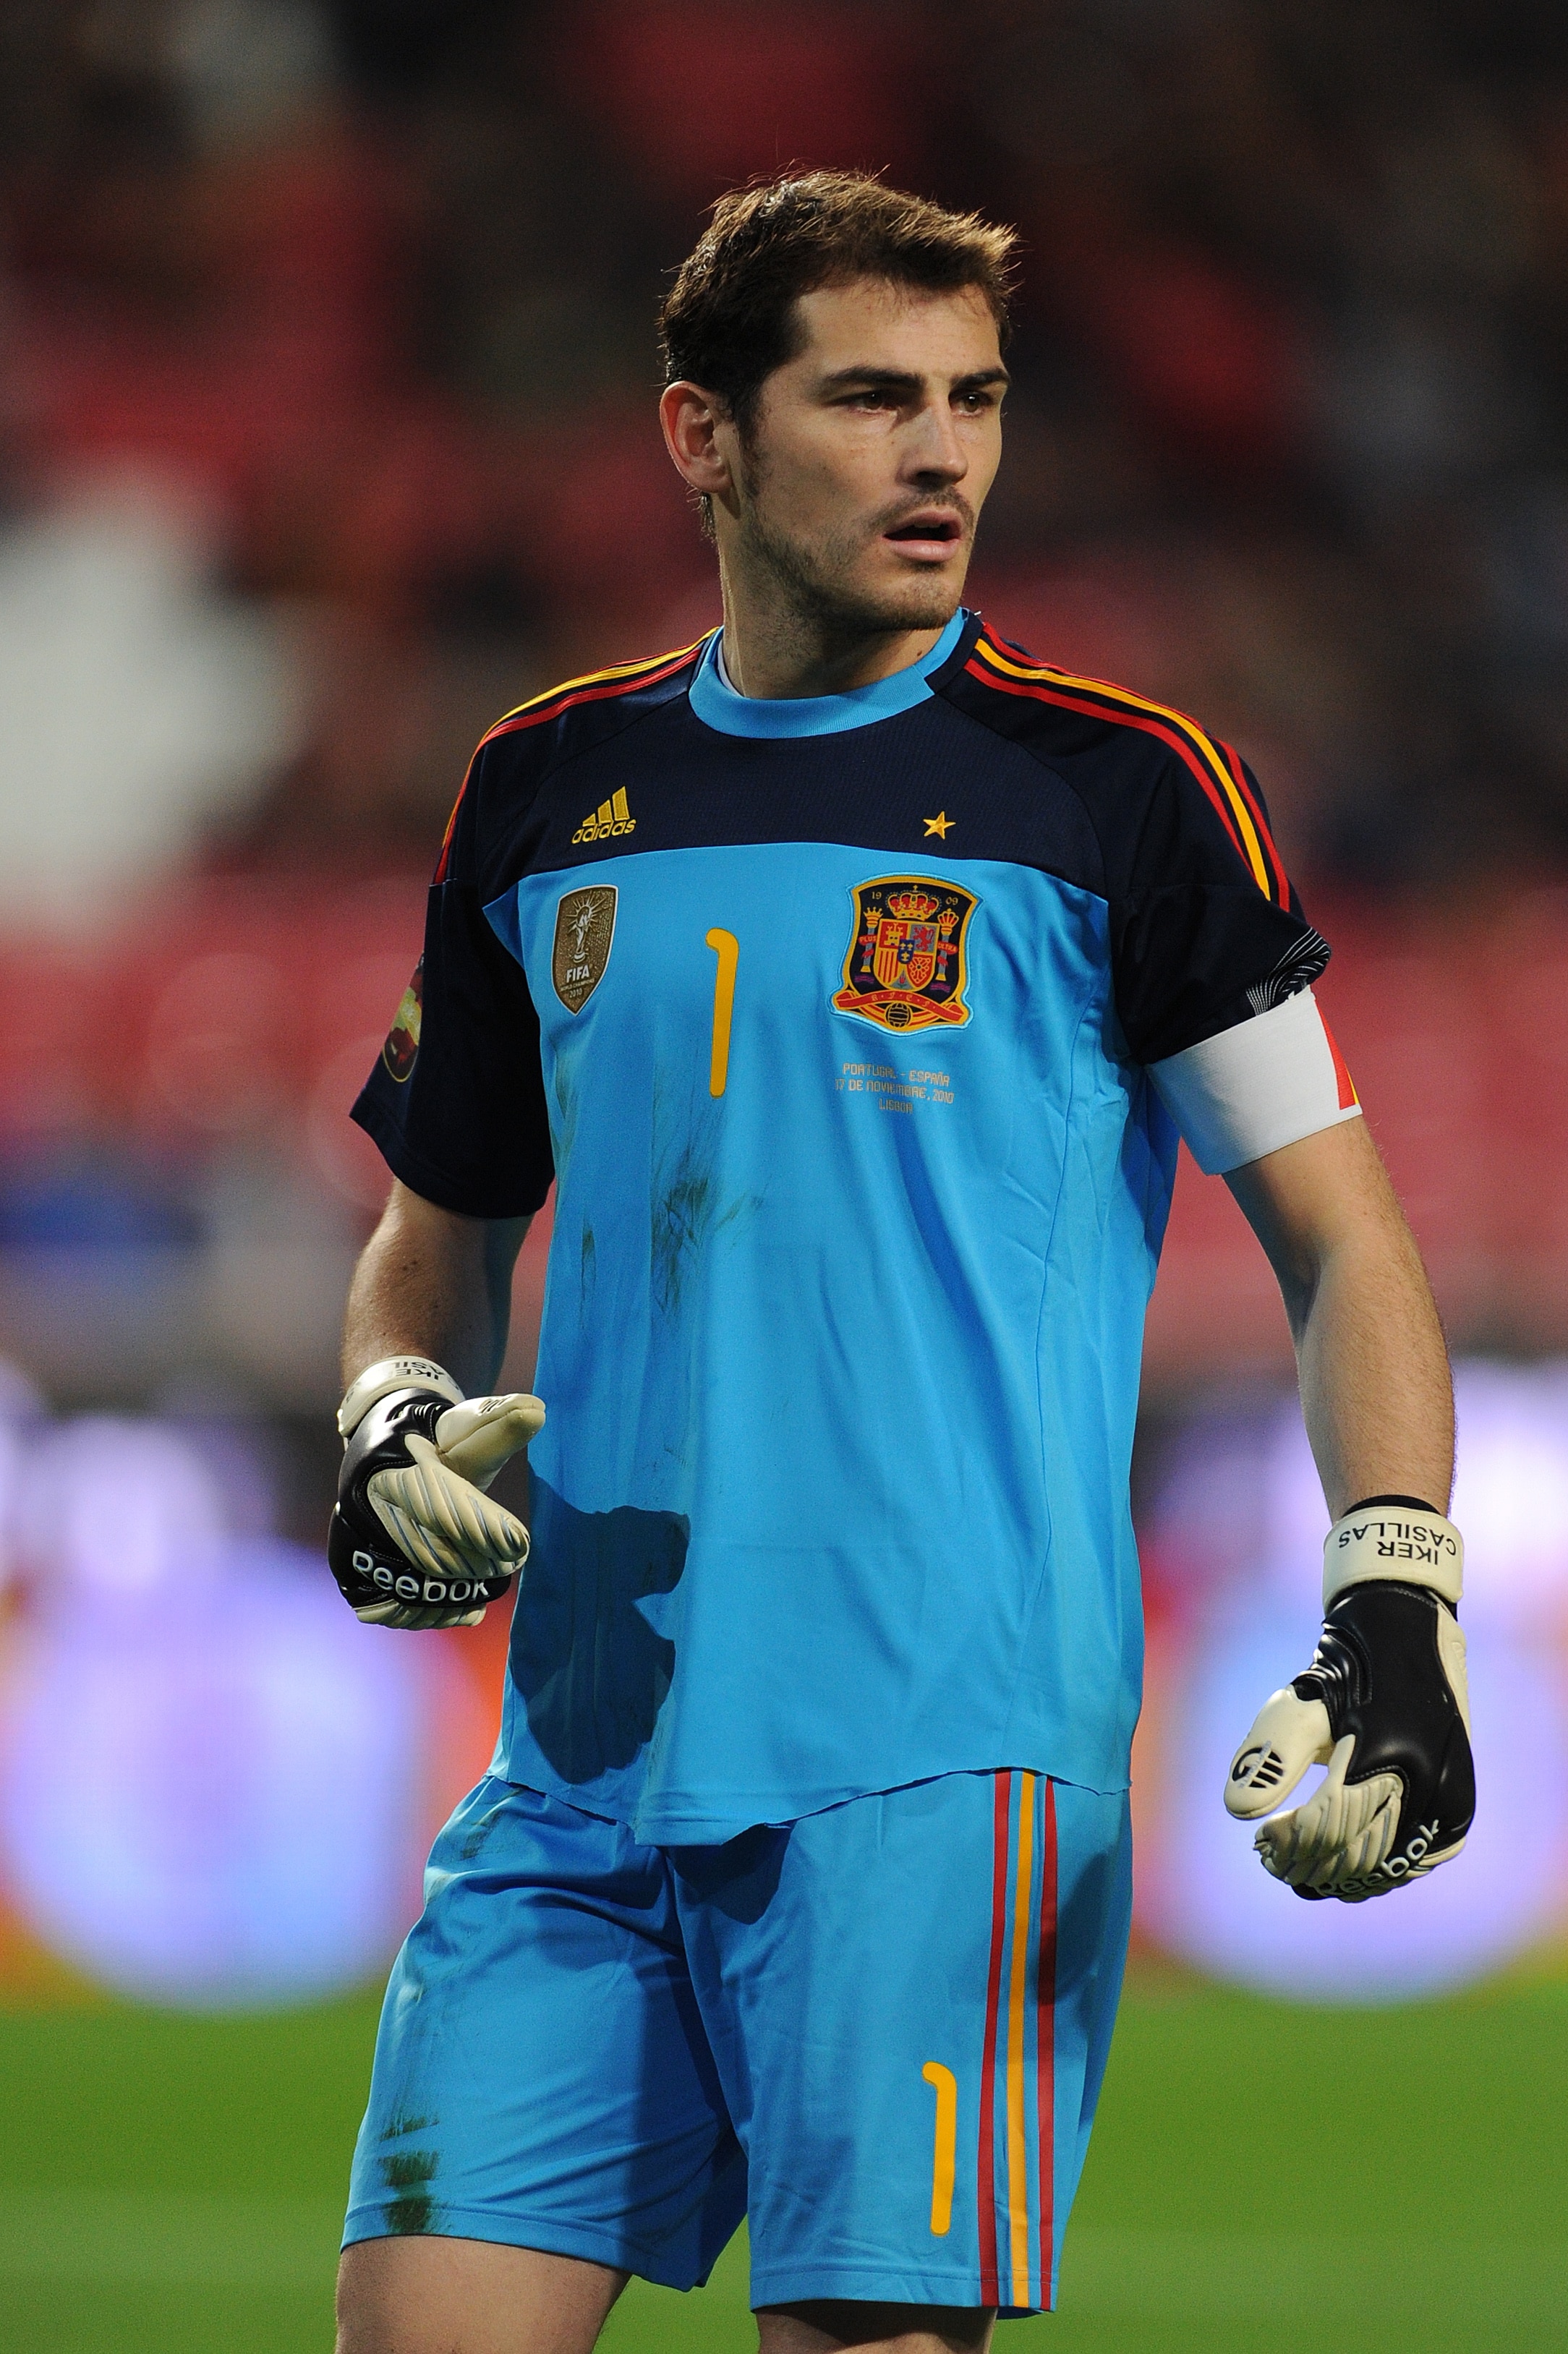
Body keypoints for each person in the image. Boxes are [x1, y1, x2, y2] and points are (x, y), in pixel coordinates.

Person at [328, 171, 1472, 2354]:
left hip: (936, 1766)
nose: (942, 452)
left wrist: (1393, 1600)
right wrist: (390, 1425)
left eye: (975, 400)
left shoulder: (1125, 795)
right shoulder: (542, 785)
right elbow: (430, 1244)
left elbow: (1344, 1239)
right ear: (704, 438)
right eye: (868, 398)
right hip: (575, 1772)